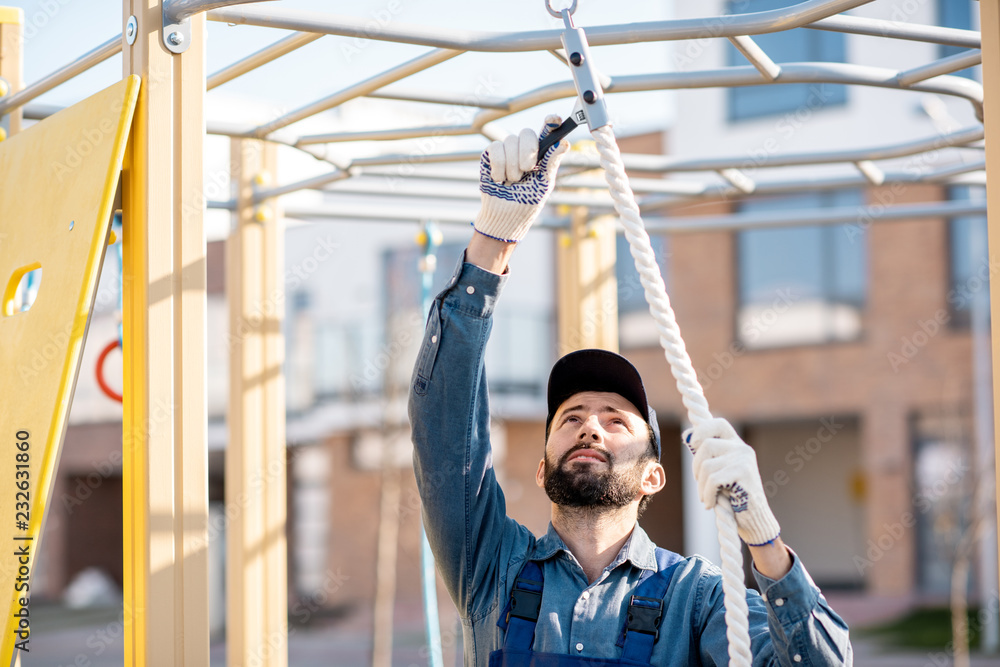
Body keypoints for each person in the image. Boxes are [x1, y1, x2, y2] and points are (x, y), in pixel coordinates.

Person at [408, 116, 852, 666]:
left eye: (616, 420)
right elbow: (445, 433)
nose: (590, 424)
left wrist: (763, 538)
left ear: (653, 476)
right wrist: (493, 238)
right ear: (543, 470)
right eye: (570, 418)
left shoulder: (700, 598)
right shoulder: (491, 566)